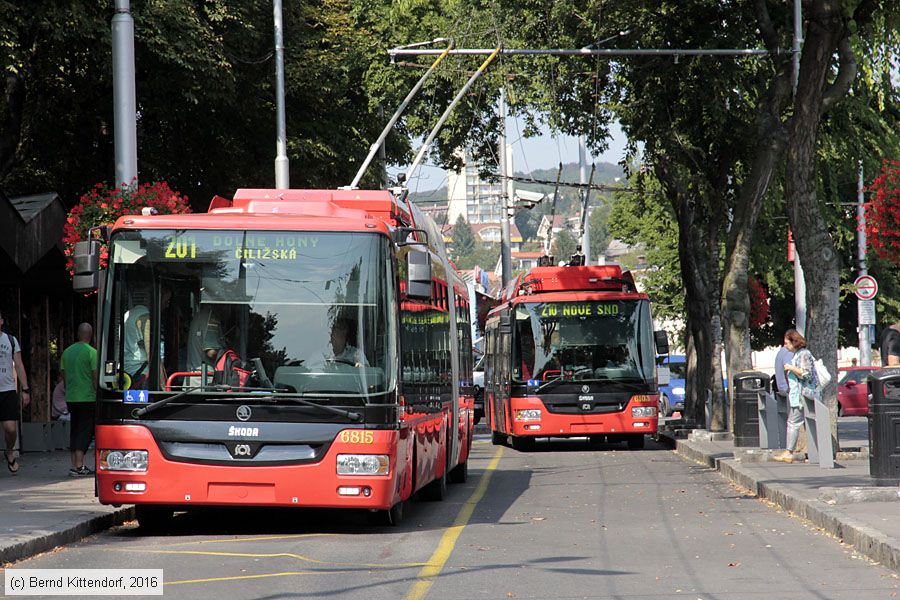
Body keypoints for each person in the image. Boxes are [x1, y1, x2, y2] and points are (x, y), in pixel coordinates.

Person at [774, 329, 817, 463]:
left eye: (787, 343)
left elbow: (806, 374)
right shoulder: (798, 354)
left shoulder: (803, 354)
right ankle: (809, 453)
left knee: (793, 422)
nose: (785, 346)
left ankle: (789, 452)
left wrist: (791, 368)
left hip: (803, 394)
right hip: (798, 394)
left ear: (794, 342)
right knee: (798, 422)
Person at [60, 323, 97, 476]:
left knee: (75, 430)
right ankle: (80, 466)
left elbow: (63, 375)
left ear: (78, 334)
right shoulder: (92, 352)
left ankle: (74, 465)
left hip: (71, 397)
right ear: (91, 335)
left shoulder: (67, 352)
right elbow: (95, 377)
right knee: (85, 431)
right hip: (88, 397)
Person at [0, 309, 30, 474]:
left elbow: (18, 364)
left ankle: (9, 451)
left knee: (11, 429)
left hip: (8, 390)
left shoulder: (10, 340)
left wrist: (25, 389)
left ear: (2, 321)